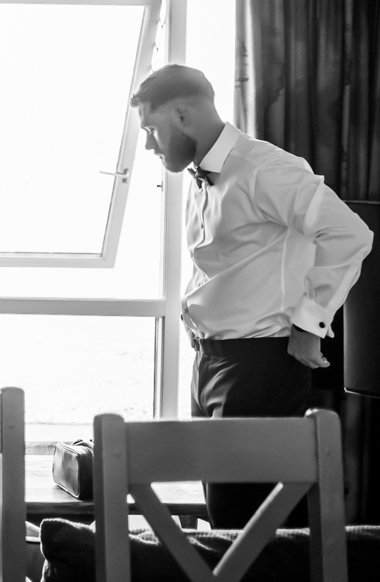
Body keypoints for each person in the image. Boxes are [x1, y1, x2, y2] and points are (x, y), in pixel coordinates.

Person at [132, 63, 373, 528]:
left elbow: (349, 233)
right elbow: (221, 270)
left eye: (150, 130)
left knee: (246, 530)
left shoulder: (264, 167)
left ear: (182, 115)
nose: (148, 145)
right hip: (211, 364)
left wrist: (309, 323)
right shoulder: (202, 178)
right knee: (224, 521)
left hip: (257, 370)